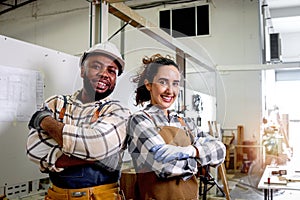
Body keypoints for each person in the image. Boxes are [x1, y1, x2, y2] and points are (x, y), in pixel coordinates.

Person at [26, 41, 131, 200]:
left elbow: (96, 145)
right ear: (82, 70)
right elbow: (34, 149)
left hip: (103, 196)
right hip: (56, 195)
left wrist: (45, 122)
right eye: (96, 66)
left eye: (111, 71)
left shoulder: (119, 111)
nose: (104, 74)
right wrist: (95, 156)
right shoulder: (57, 103)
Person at [126, 54, 226, 200]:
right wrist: (199, 160)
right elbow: (163, 166)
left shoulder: (185, 122)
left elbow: (220, 150)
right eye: (163, 82)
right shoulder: (139, 120)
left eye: (175, 83)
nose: (170, 91)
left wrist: (192, 150)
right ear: (148, 85)